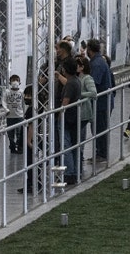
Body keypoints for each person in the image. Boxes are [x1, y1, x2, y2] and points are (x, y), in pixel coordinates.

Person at [54, 56, 81, 186]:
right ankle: (74, 171)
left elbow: (65, 102)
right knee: (73, 145)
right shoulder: (75, 81)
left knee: (66, 145)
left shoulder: (71, 83)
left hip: (67, 118)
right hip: (74, 117)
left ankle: (69, 173)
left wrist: (59, 116)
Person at [85, 39, 114, 163]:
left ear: (89, 49)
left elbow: (93, 84)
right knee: (99, 128)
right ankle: (101, 152)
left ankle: (102, 154)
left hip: (101, 103)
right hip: (103, 102)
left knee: (100, 129)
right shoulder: (98, 61)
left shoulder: (96, 64)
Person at [74, 55, 97, 176]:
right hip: (77, 112)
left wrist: (79, 94)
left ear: (82, 67)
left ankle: (79, 163)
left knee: (80, 139)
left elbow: (93, 93)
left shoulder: (87, 78)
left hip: (83, 113)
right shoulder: (77, 77)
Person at [2, 74, 25, 154]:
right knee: (10, 134)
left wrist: (24, 114)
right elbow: (4, 102)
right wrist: (6, 110)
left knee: (19, 133)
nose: (15, 82)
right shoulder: (7, 92)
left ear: (19, 82)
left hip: (19, 115)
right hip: (10, 116)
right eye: (13, 80)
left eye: (17, 80)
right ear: (10, 82)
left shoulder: (22, 92)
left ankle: (19, 147)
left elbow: (24, 103)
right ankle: (12, 146)